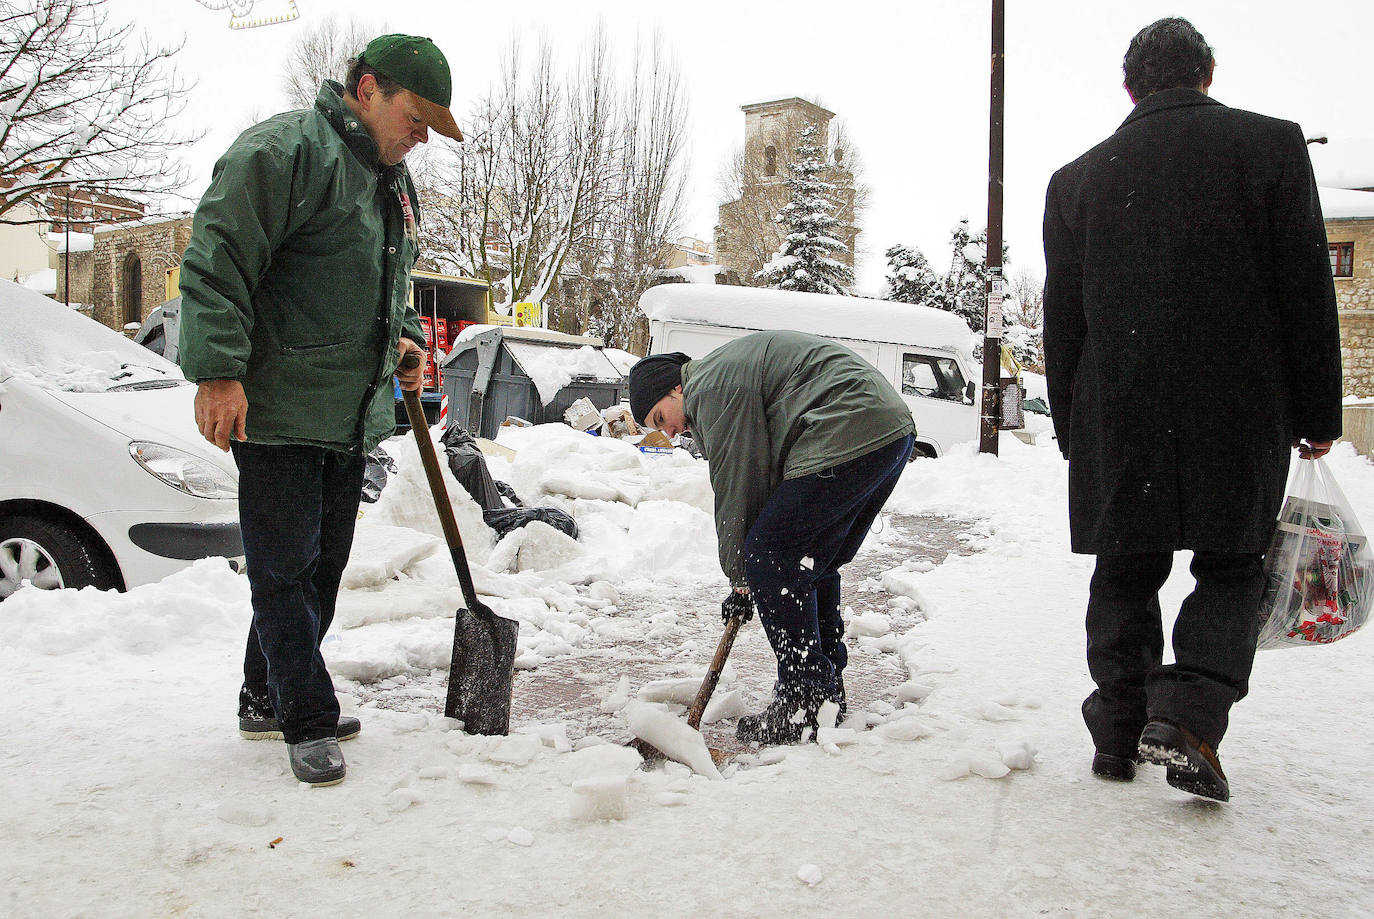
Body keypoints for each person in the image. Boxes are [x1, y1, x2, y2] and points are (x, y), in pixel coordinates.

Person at [1042, 18, 1343, 801]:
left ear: (1130, 86)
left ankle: (1118, 727)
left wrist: (1076, 428)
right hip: (1238, 403)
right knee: (1234, 562)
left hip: (1121, 406)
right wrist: (1319, 410)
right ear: (1208, 72)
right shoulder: (1272, 147)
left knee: (1125, 563)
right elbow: (1306, 288)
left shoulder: (1076, 180)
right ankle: (1189, 715)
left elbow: (1062, 322)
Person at [178, 34, 463, 785]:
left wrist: (403, 338)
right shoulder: (284, 154)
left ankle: (263, 692)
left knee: (322, 568)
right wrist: (216, 373)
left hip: (346, 412)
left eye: (434, 125)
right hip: (275, 407)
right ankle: (304, 713)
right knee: (282, 570)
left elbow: (390, 286)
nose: (422, 136)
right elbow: (216, 259)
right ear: (367, 89)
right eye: (416, 115)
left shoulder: (391, 184)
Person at [628, 331, 916, 744]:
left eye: (660, 418)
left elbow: (738, 483)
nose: (669, 433)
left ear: (675, 388)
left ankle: (804, 700)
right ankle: (825, 690)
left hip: (849, 429)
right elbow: (766, 479)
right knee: (811, 561)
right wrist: (745, 578)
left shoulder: (711, 387)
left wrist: (741, 574)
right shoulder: (722, 379)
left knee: (768, 553)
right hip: (886, 432)